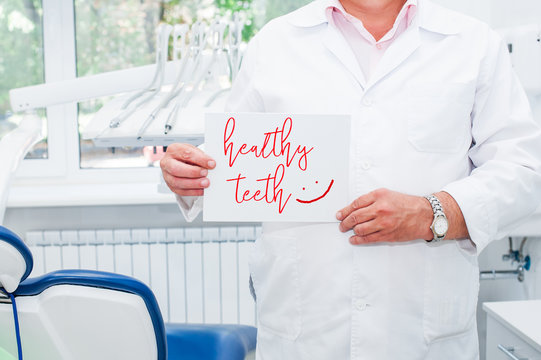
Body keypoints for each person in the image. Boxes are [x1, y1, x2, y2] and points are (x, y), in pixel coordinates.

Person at [160, 0, 541, 358]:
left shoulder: (472, 44)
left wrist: (432, 213)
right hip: (306, 334)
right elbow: (234, 168)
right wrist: (189, 175)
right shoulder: (274, 44)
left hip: (421, 338)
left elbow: (522, 171)